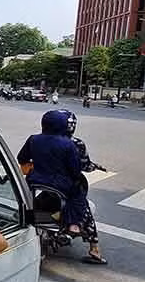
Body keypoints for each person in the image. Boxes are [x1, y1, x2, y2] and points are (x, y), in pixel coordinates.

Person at [17, 110, 99, 261]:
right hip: (60, 185)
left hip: (35, 181)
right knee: (79, 196)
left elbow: (21, 158)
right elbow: (75, 170)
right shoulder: (70, 144)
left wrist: (37, 166)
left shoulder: (33, 139)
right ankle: (75, 226)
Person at [60, 110, 105, 263]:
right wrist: (95, 166)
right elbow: (85, 165)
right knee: (83, 206)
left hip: (40, 182)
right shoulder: (75, 143)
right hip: (67, 185)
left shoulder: (37, 139)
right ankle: (94, 248)